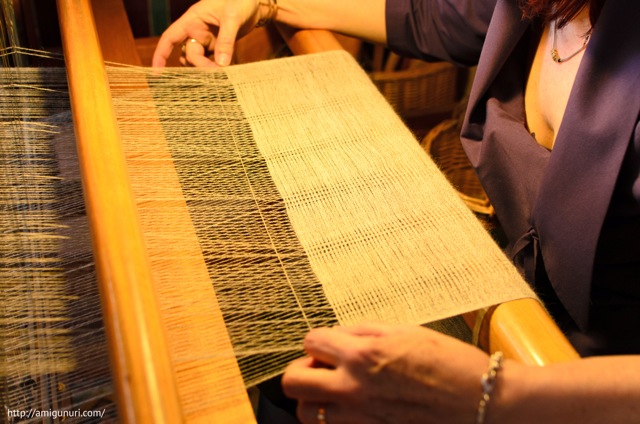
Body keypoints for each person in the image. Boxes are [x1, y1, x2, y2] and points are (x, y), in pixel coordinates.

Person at [153, 0, 640, 422]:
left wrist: (498, 396)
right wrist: (267, 5)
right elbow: (430, 13)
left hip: (580, 387)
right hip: (512, 307)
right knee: (295, 371)